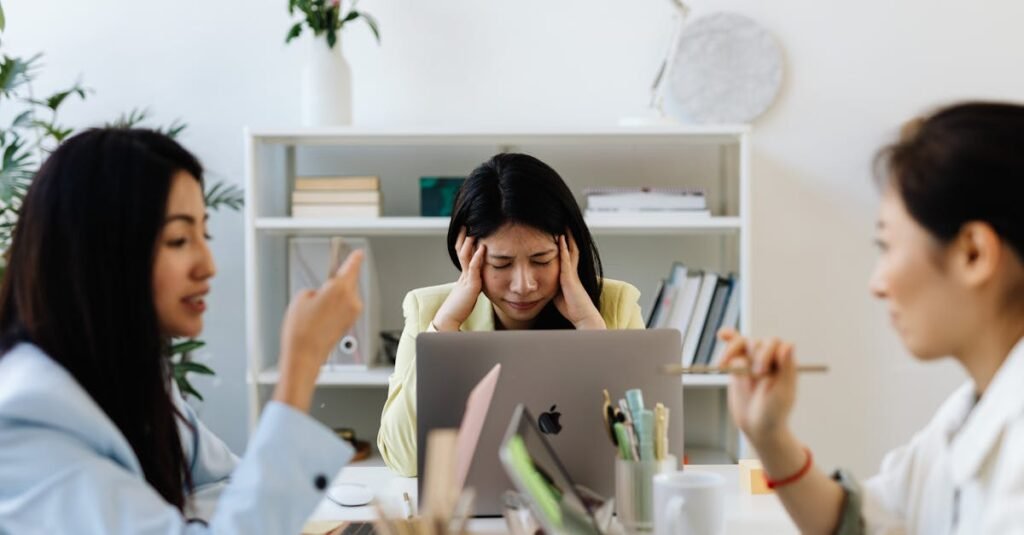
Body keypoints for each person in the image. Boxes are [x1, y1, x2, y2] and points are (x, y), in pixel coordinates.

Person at [0, 128, 364, 533]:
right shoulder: (26, 417)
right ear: (99, 254)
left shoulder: (130, 374)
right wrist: (302, 363)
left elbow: (224, 482)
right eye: (178, 239)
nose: (207, 266)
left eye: (202, 234)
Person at [721, 102, 1024, 534]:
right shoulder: (967, 413)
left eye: (888, 246)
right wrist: (769, 436)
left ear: (973, 253)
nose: (877, 284)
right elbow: (862, 521)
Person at [377, 153, 645, 476]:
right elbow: (404, 460)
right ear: (467, 254)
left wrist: (589, 326)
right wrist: (445, 327)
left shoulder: (616, 306)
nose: (524, 285)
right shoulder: (428, 312)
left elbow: (642, 455)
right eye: (501, 264)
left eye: (542, 260)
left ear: (570, 250)